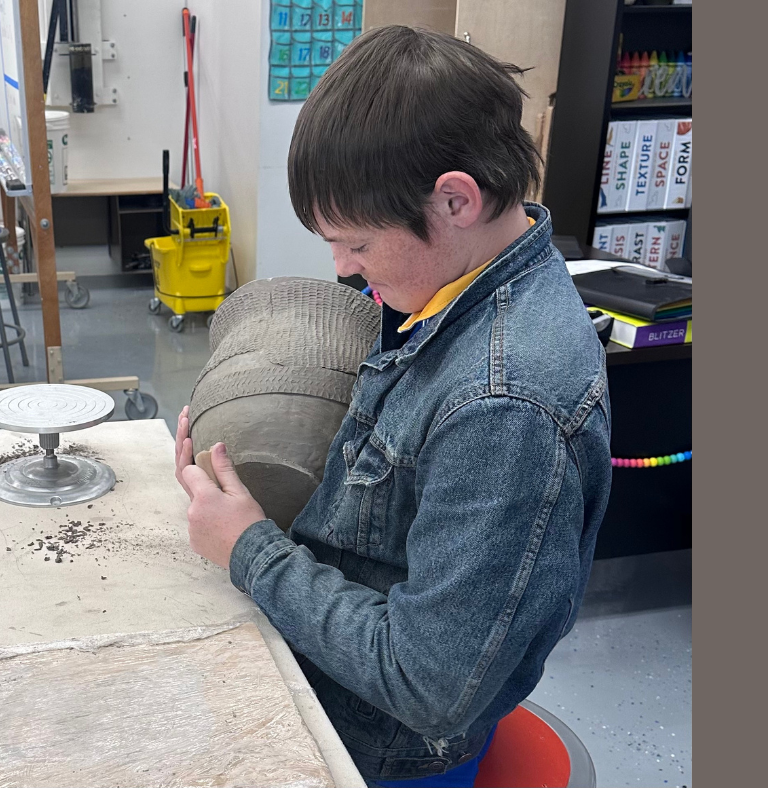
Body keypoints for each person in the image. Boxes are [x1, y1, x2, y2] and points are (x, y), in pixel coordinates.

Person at [174, 25, 612, 788]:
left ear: (455, 199)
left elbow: (427, 683)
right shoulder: (454, 286)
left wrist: (248, 547)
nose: (342, 268)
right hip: (345, 698)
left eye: (357, 245)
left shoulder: (505, 406)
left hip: (382, 753)